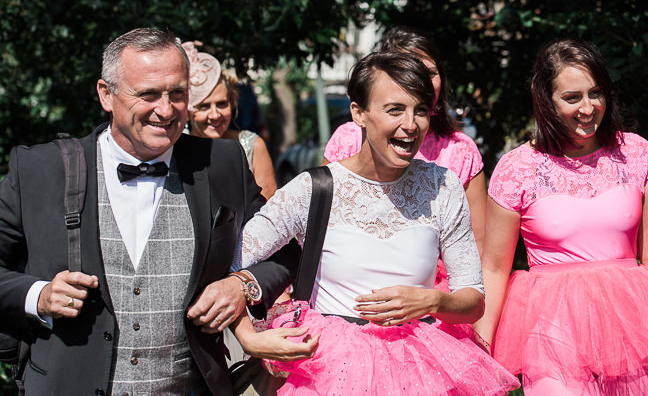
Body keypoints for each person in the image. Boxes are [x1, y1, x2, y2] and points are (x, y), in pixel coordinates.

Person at [0, 28, 311, 395]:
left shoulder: (221, 163)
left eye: (177, 94)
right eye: (148, 94)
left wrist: (241, 285)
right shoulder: (40, 169)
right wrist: (38, 294)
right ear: (106, 94)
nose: (165, 111)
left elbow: (287, 247)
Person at [232, 51, 519, 395]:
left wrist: (432, 302)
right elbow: (230, 262)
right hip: (330, 369)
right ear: (359, 113)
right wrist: (247, 336)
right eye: (395, 109)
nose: (411, 125)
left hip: (423, 368)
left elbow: (473, 300)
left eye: (421, 111)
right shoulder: (314, 189)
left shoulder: (442, 187)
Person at [475, 39, 648, 394]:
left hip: (628, 329)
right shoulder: (516, 168)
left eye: (596, 93)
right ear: (545, 101)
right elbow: (493, 267)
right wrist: (482, 349)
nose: (588, 108)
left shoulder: (636, 153)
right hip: (551, 331)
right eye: (572, 98)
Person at [323, 26, 486, 293]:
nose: (420, 80)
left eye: (430, 72)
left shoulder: (461, 149)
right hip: (354, 291)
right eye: (408, 70)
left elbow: (479, 249)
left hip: (440, 300)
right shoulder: (347, 139)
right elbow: (320, 231)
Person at [183, 40, 277, 200]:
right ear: (189, 109)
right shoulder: (177, 149)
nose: (215, 114)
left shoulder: (251, 146)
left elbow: (270, 211)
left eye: (221, 104)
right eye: (203, 106)